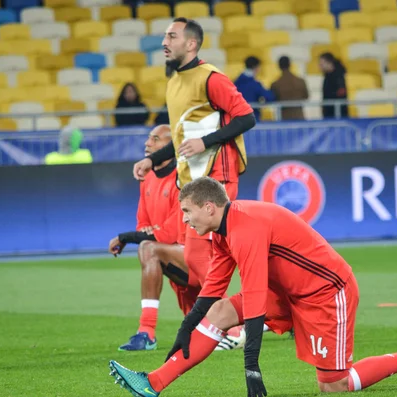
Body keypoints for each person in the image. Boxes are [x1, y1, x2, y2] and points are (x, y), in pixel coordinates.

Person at [108, 177, 397, 396]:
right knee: (221, 311)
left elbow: (254, 294)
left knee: (335, 386)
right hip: (287, 293)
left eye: (187, 211)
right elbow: (213, 288)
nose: (184, 219)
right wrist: (186, 326)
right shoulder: (223, 230)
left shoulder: (246, 226)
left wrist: (251, 367)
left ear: (208, 207)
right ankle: (154, 382)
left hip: (327, 292)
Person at [130, 17, 256, 319]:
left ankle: (234, 324)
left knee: (205, 256)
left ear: (191, 43)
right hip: (193, 182)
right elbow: (181, 140)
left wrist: (205, 142)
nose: (164, 42)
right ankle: (264, 314)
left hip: (218, 178)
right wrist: (153, 158)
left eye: (171, 36)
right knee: (208, 258)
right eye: (164, 36)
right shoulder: (174, 83)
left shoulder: (210, 78)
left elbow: (246, 117)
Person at [109, 125, 244, 352]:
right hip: (175, 258)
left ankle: (146, 332)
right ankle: (279, 319)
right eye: (148, 138)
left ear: (170, 146)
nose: (147, 143)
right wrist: (138, 235)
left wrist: (126, 237)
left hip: (194, 255)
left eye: (155, 139)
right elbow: (143, 223)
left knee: (148, 248)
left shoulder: (182, 179)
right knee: (204, 327)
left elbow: (169, 232)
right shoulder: (148, 179)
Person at [234, 56, 275, 121]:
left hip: (237, 119)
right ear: (255, 67)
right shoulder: (254, 84)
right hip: (252, 118)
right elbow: (269, 97)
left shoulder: (236, 83)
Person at [270, 56, 309, 120]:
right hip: (299, 116)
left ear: (279, 66)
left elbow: (273, 99)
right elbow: (306, 96)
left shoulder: (276, 84)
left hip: (284, 118)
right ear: (290, 64)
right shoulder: (300, 81)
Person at [319, 52, 348, 119]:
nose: (320, 66)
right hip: (330, 114)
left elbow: (341, 94)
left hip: (337, 115)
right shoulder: (327, 76)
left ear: (329, 63)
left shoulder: (338, 76)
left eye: (322, 64)